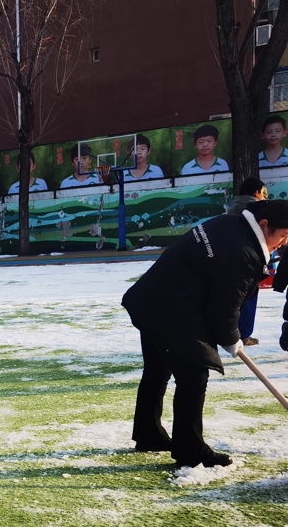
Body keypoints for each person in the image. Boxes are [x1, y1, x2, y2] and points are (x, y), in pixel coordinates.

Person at [123, 200, 288, 468]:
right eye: (283, 235)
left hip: (150, 298)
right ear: (264, 225)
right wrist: (232, 339)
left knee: (157, 370)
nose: (283, 243)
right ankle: (191, 451)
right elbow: (224, 308)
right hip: (170, 308)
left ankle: (149, 434)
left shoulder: (229, 223)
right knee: (194, 375)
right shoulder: (245, 253)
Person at [228, 177, 269, 346]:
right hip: (248, 259)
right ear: (257, 192)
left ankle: (231, 332)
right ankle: (244, 334)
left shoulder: (233, 207)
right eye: (263, 193)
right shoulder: (255, 208)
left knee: (232, 297)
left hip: (229, 258)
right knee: (249, 295)